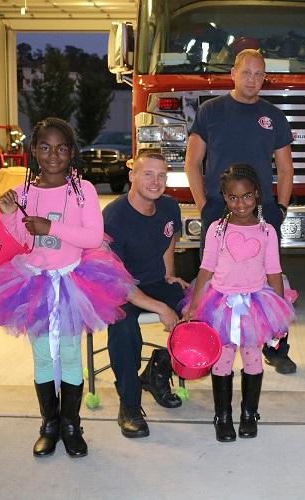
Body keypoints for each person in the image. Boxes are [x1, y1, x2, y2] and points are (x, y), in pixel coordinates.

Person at [0, 117, 134, 457]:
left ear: (71, 151)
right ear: (34, 151)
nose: (53, 155)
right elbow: (22, 240)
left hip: (73, 281)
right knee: (42, 357)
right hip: (32, 285)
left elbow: (91, 237)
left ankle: (71, 424)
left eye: (61, 147)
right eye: (45, 147)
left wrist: (50, 227)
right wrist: (11, 214)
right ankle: (49, 424)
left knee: (70, 356)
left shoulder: (82, 190)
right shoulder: (26, 191)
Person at [184, 48, 297, 374]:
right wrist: (204, 205)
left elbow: (286, 168)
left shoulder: (273, 116)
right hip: (219, 211)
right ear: (232, 73)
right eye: (246, 72)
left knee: (269, 279)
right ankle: (207, 344)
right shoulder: (210, 111)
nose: (252, 79)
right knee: (213, 282)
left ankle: (277, 346)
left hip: (261, 213)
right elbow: (192, 163)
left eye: (259, 74)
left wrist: (282, 208)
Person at [184, 164, 296, 442]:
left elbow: (273, 271)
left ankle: (249, 413)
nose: (241, 203)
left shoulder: (267, 231)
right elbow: (206, 268)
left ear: (257, 195)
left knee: (253, 358)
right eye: (233, 197)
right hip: (220, 304)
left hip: (255, 305)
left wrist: (279, 314)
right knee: (221, 360)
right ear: (224, 198)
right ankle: (222, 416)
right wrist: (194, 305)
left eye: (246, 196)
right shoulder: (216, 229)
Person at [103, 151, 189, 439]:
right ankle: (129, 405)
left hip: (154, 282)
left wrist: (169, 275)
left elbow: (167, 240)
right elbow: (119, 282)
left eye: (162, 175)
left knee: (203, 309)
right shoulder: (114, 216)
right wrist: (162, 308)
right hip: (120, 289)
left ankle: (158, 370)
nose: (156, 181)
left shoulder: (168, 206)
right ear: (132, 176)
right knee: (123, 326)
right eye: (148, 174)